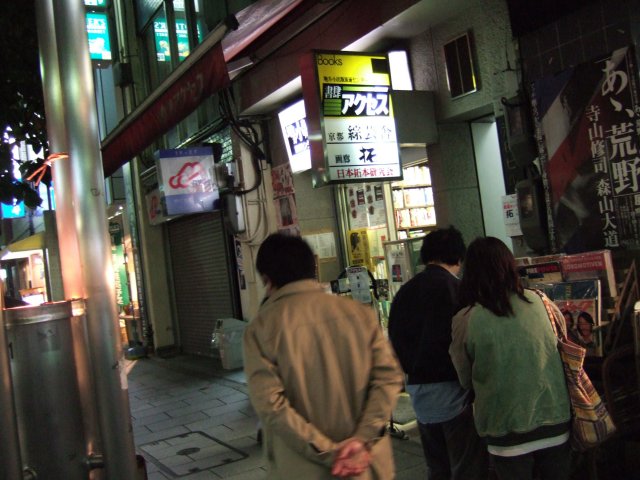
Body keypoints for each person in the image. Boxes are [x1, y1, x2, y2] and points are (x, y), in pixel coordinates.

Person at [243, 233, 404, 479]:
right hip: (366, 466)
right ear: (313, 268)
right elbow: (389, 378)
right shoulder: (359, 314)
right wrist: (361, 440)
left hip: (303, 470)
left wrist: (331, 452)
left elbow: (272, 406)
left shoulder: (260, 329)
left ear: (267, 279)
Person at [449, 237, 572, 480]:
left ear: (469, 273)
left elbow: (464, 379)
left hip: (505, 429)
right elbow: (562, 344)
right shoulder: (542, 302)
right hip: (555, 419)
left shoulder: (466, 319)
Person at [388, 226, 488, 480]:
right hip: (455, 393)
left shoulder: (404, 293)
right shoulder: (458, 290)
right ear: (458, 258)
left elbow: (395, 340)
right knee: (466, 467)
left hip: (419, 394)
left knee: (437, 467)